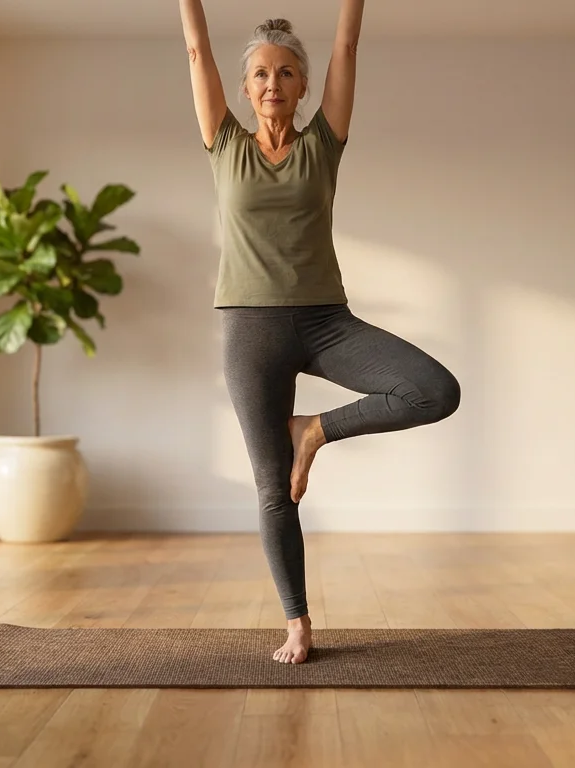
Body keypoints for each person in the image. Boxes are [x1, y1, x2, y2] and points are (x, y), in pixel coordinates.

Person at [178, 0, 461, 664]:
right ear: (245, 89)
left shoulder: (323, 144)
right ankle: (298, 624)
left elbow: (348, 46)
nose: (272, 84)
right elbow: (195, 50)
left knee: (434, 390)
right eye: (259, 76)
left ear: (303, 85)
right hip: (250, 330)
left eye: (284, 74)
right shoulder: (224, 144)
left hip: (326, 323)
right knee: (273, 486)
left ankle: (316, 430)